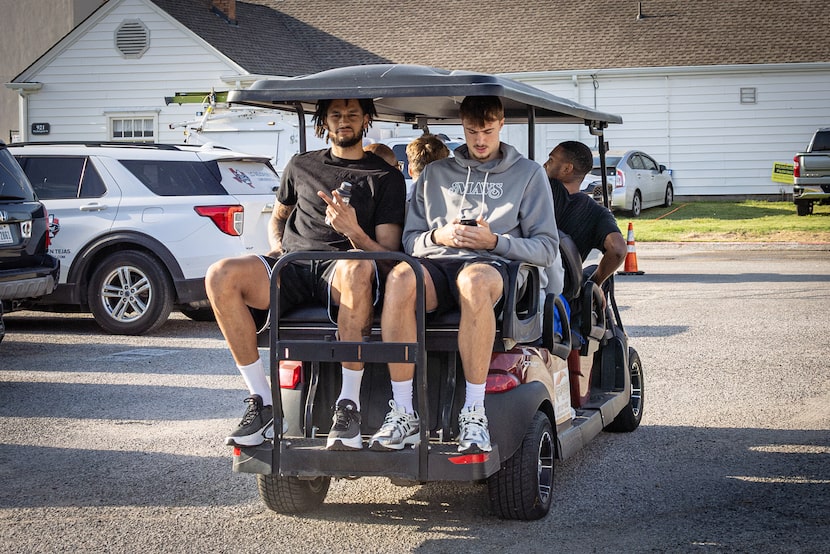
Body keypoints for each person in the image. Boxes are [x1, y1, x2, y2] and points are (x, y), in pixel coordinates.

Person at [206, 98, 406, 450]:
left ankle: (349, 406)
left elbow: (388, 254)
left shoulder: (385, 176)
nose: (344, 122)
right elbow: (279, 216)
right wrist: (276, 248)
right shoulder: (300, 164)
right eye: (336, 115)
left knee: (358, 265)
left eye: (352, 115)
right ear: (324, 122)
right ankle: (262, 401)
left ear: (366, 121)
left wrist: (352, 232)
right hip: (294, 265)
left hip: (346, 268)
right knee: (221, 274)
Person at [369, 96, 559, 454]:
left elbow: (546, 248)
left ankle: (474, 412)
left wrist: (495, 241)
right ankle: (403, 413)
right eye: (472, 132)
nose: (480, 140)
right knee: (400, 278)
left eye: (487, 131)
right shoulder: (435, 175)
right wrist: (439, 236)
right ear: (462, 127)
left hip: (497, 266)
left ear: (502, 123)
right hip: (440, 261)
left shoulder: (529, 174)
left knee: (473, 281)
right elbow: (409, 241)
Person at [543, 141, 626, 287]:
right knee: (596, 273)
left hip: (529, 278)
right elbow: (618, 249)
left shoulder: (542, 190)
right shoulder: (597, 213)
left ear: (567, 168)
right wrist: (596, 282)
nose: (545, 164)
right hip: (566, 288)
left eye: (551, 160)